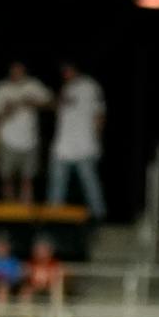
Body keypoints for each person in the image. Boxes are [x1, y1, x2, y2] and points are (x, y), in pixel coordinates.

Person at [0, 62, 53, 203]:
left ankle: (26, 211)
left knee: (27, 178)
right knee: (7, 177)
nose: (17, 72)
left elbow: (51, 102)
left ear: (25, 70)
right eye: (14, 69)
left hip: (30, 140)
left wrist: (34, 103)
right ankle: (9, 208)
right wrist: (6, 110)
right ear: (10, 71)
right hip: (6, 139)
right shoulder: (1, 88)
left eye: (20, 69)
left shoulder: (33, 85)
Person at [48, 62, 106, 215]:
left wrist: (97, 139)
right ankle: (55, 216)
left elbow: (99, 114)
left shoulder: (90, 86)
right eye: (63, 71)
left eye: (68, 70)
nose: (65, 74)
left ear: (75, 69)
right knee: (57, 184)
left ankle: (98, 216)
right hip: (63, 146)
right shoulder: (65, 88)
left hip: (85, 145)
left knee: (90, 183)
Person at [17, 235, 61, 302]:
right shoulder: (31, 262)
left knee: (56, 290)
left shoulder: (54, 263)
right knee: (26, 290)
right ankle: (24, 311)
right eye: (37, 249)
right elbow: (23, 275)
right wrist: (25, 272)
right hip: (33, 287)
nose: (39, 252)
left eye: (43, 249)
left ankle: (56, 310)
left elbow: (57, 277)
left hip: (48, 288)